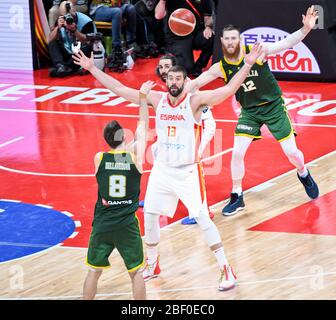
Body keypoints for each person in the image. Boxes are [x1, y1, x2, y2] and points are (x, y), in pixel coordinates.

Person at [73, 42, 262, 291]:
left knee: (202, 218)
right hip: (162, 169)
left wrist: (247, 64)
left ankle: (226, 268)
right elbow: (119, 88)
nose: (173, 82)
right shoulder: (156, 98)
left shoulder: (195, 102)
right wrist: (91, 68)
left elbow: (228, 89)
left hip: (187, 172)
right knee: (150, 215)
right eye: (170, 78)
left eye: (178, 78)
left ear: (185, 81)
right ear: (165, 80)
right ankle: (153, 264)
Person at [189, 6, 320, 216]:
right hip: (249, 111)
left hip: (273, 107)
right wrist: (177, 92)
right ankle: (237, 195)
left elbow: (286, 43)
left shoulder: (257, 53)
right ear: (222, 42)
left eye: (234, 38)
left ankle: (303, 173)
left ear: (239, 40)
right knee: (237, 152)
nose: (230, 42)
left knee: (292, 153)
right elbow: (196, 83)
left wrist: (305, 29)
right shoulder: (221, 67)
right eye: (227, 39)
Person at [83, 79, 156, 300]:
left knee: (93, 272)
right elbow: (142, 127)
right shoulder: (134, 160)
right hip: (126, 225)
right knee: (136, 274)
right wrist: (143, 98)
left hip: (103, 224)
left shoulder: (99, 158)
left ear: (106, 140)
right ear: (124, 137)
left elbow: (117, 152)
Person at [153, 54, 216, 225]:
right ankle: (160, 199)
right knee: (158, 153)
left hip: (202, 126)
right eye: (161, 67)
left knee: (195, 164)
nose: (163, 70)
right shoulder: (171, 82)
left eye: (166, 66)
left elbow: (204, 115)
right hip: (180, 131)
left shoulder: (187, 86)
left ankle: (204, 211)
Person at [155, 0, 214, 77]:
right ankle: (171, 57)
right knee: (185, 69)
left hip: (195, 33)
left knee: (211, 38)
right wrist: (162, 1)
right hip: (177, 37)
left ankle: (198, 67)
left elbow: (208, 16)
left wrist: (208, 27)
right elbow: (158, 16)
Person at [48, 1, 94, 77]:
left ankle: (66, 69)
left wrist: (75, 31)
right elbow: (50, 39)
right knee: (53, 43)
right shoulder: (61, 19)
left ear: (75, 12)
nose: (67, 19)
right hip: (68, 52)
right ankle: (61, 66)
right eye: (64, 16)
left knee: (88, 47)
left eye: (69, 16)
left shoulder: (86, 21)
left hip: (81, 54)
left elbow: (89, 41)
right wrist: (57, 28)